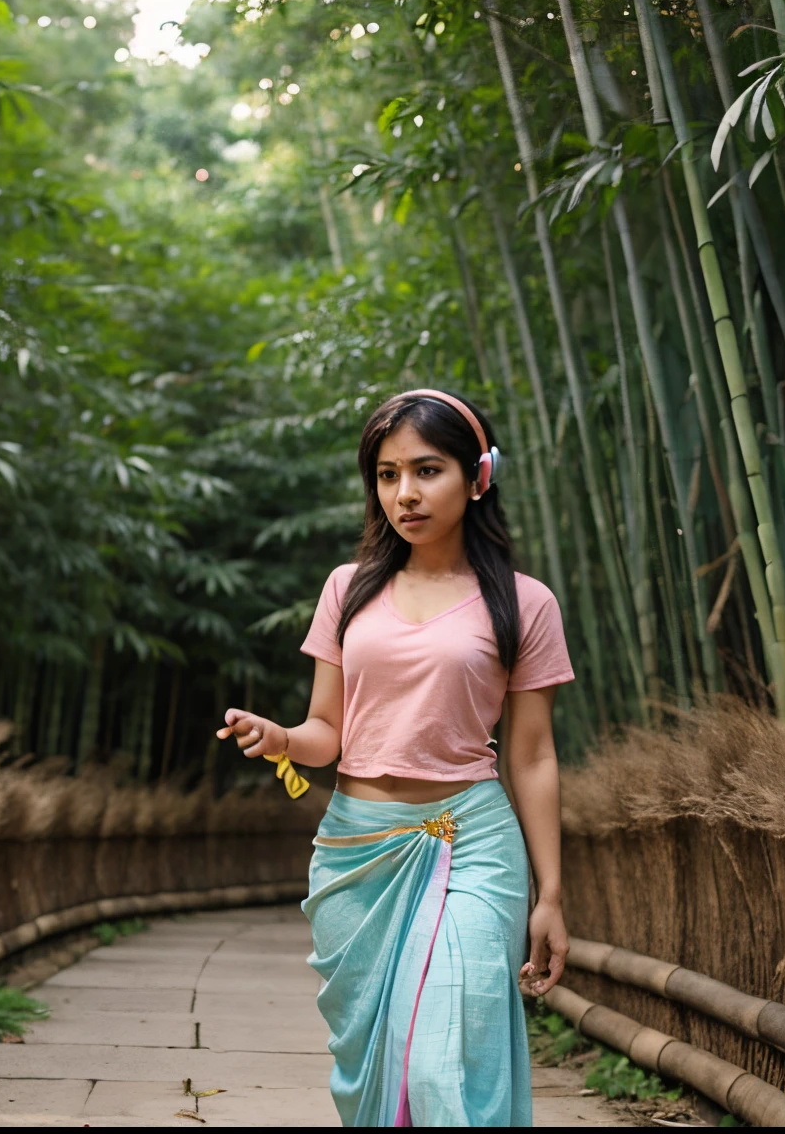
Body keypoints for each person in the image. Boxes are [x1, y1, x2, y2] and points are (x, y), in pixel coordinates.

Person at [218, 389, 571, 1126]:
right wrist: (281, 739)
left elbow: (532, 757)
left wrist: (552, 893)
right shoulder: (348, 591)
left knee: (448, 1052)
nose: (404, 493)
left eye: (426, 470)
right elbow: (327, 731)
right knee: (381, 1066)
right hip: (357, 849)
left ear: (478, 476)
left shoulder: (524, 602)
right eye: (386, 475)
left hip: (472, 842)